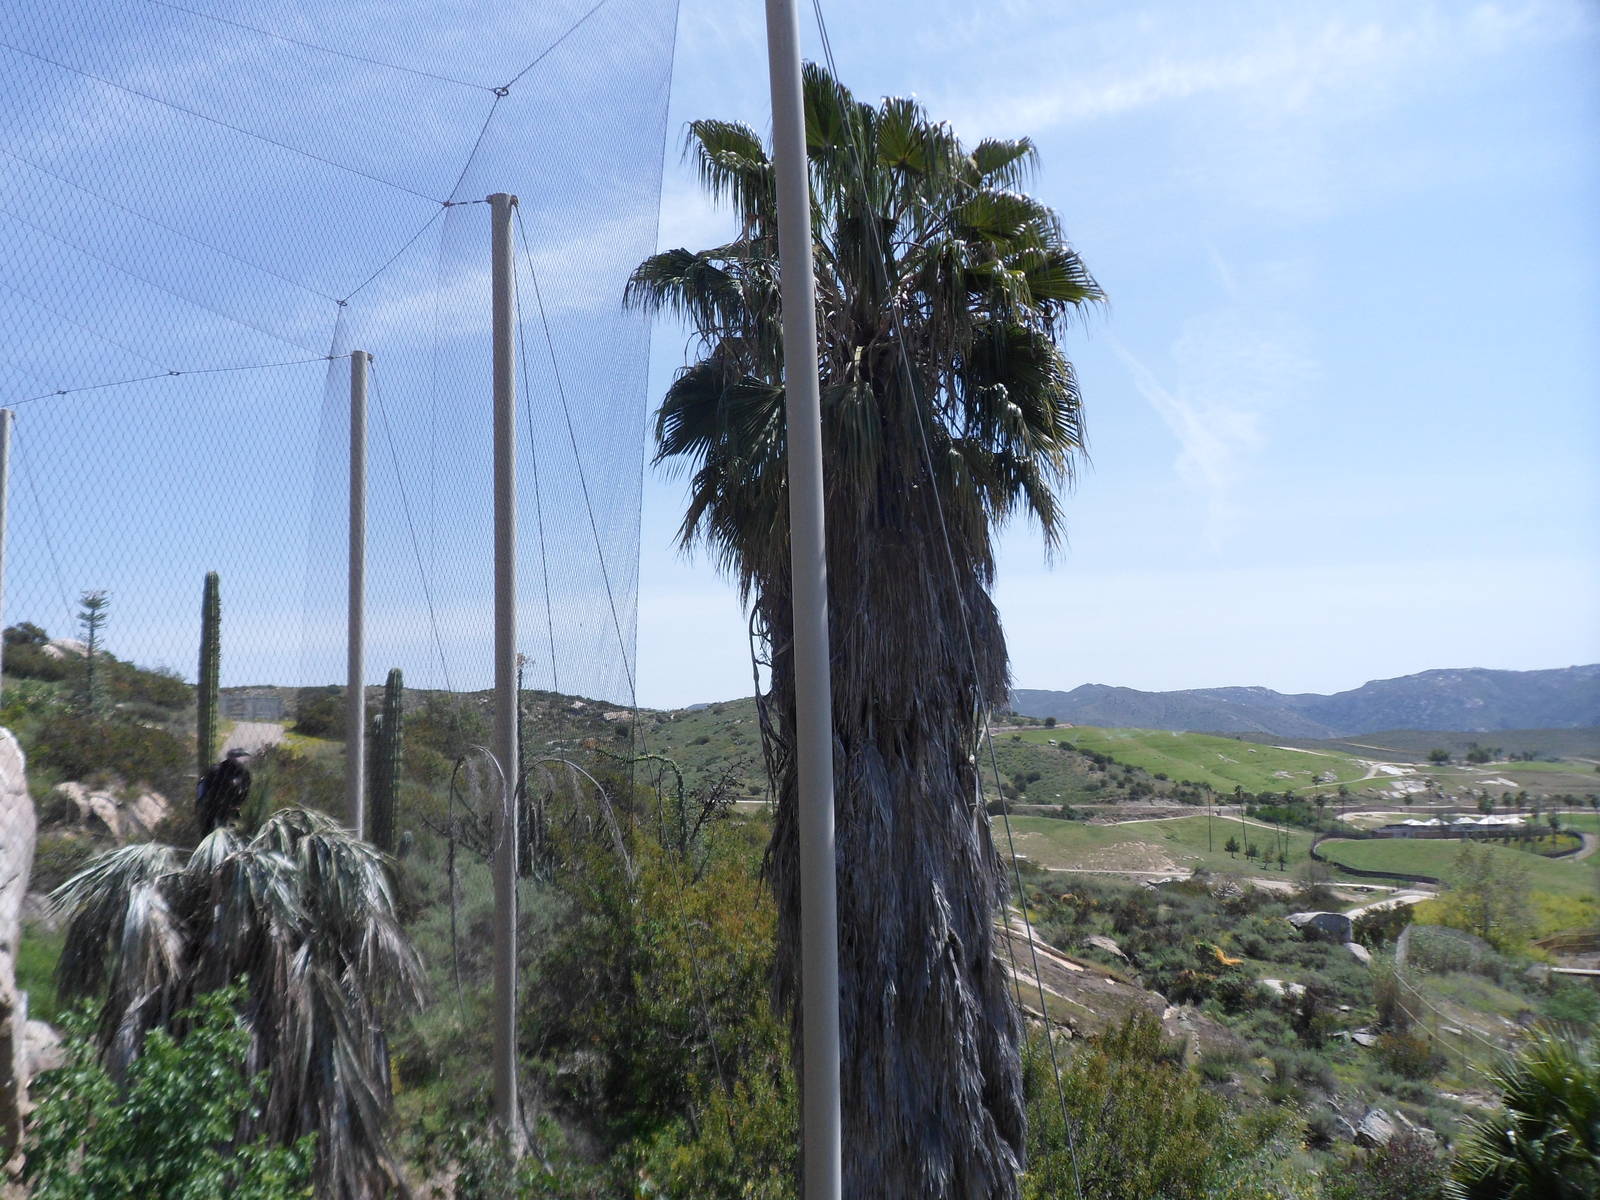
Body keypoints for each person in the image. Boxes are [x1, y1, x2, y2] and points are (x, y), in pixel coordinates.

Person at [196, 747, 252, 834]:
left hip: (230, 808)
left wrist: (236, 805)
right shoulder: (217, 771)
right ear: (231, 758)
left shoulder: (244, 774)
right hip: (211, 807)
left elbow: (244, 791)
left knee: (230, 831)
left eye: (244, 757)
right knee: (210, 831)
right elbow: (204, 787)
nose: (244, 760)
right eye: (240, 757)